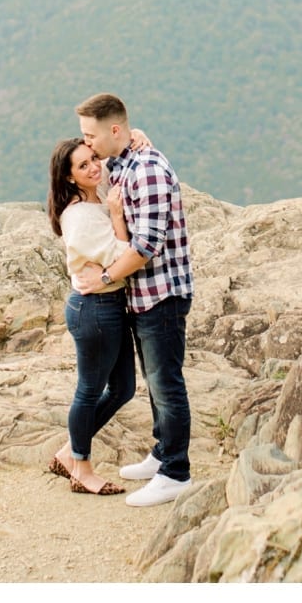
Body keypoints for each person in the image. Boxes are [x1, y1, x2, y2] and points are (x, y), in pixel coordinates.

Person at [72, 93, 194, 508]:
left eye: (91, 135)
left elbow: (146, 247)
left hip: (162, 293)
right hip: (142, 296)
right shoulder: (123, 160)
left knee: (166, 383)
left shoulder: (149, 171)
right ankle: (162, 452)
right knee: (155, 383)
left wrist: (104, 277)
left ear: (115, 130)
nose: (87, 144)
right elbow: (84, 167)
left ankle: (176, 472)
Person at [45, 137, 136, 495]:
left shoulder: (95, 199)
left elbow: (120, 136)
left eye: (93, 158)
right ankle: (81, 466)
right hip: (94, 310)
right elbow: (124, 255)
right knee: (88, 391)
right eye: (83, 166)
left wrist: (137, 135)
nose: (94, 167)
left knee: (124, 388)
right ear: (68, 178)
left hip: (109, 305)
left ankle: (69, 452)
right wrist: (117, 216)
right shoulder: (81, 215)